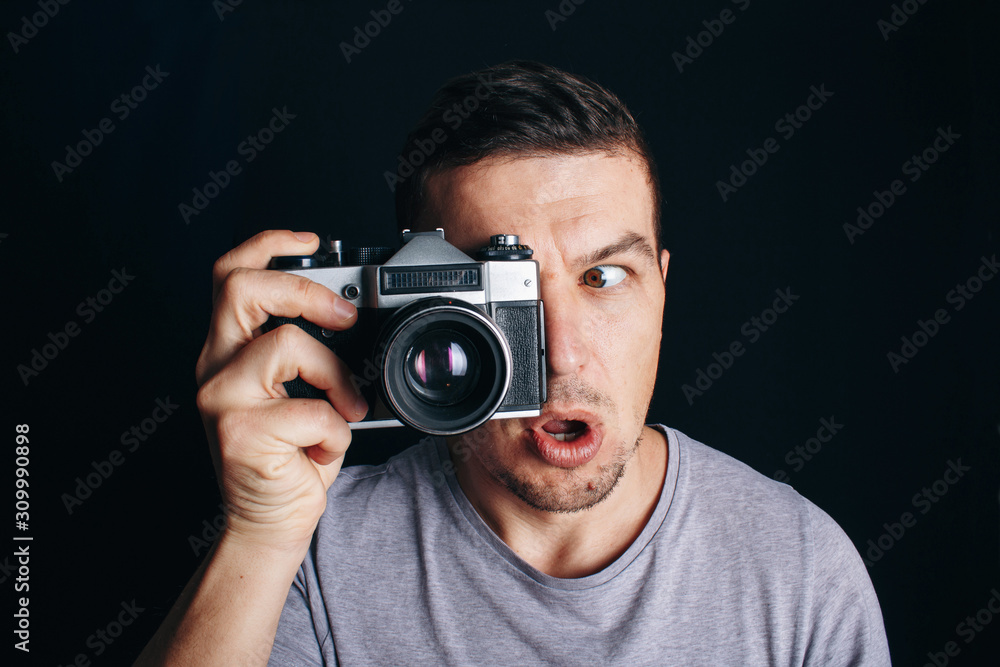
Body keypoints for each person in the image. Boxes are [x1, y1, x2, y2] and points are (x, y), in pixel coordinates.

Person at [138, 61, 890, 665]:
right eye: (506, 296)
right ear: (418, 307)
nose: (559, 352)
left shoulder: (796, 569)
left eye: (603, 277)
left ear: (662, 288)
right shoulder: (310, 553)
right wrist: (260, 536)